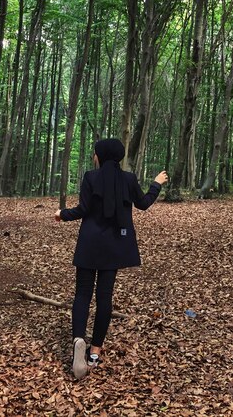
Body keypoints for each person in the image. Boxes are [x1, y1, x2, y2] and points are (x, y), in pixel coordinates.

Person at [55, 138, 168, 380]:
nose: (93, 156)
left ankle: (78, 340)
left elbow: (82, 210)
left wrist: (62, 214)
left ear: (100, 155)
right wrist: (156, 184)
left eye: (95, 153)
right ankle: (95, 351)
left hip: (89, 243)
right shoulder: (128, 179)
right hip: (115, 245)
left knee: (83, 293)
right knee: (104, 296)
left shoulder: (90, 177)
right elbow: (144, 204)